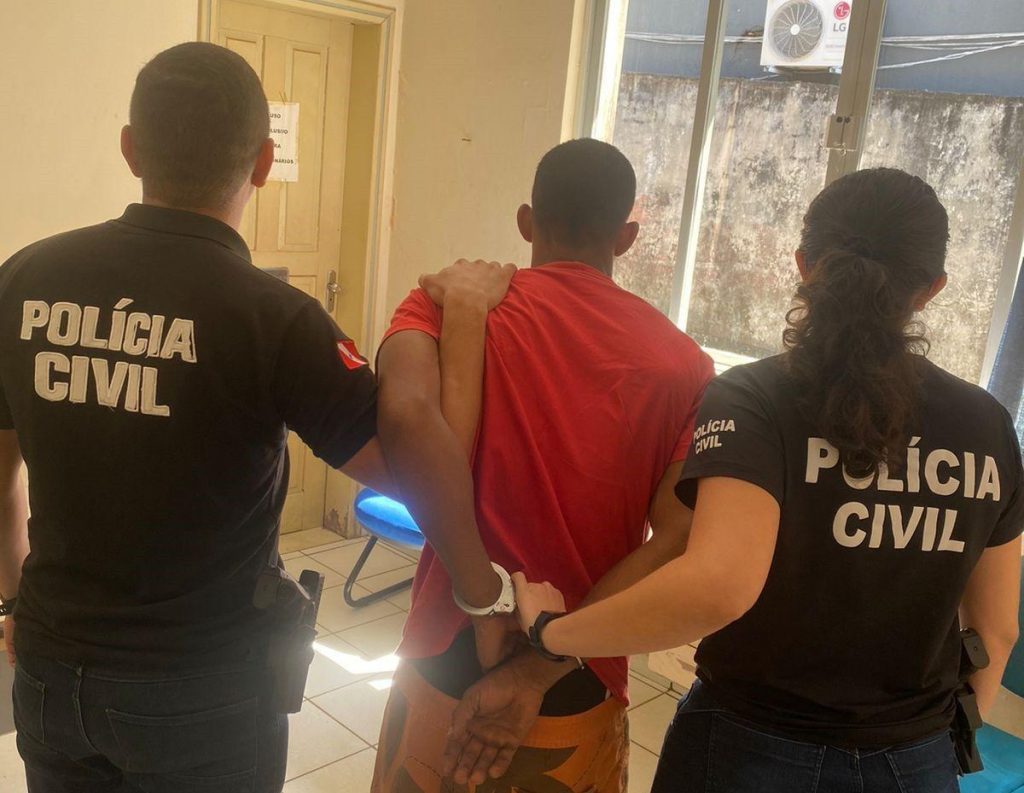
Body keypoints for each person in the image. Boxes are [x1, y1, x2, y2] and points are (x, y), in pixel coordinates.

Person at [0, 42, 511, 793]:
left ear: (130, 149)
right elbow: (420, 476)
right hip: (201, 690)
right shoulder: (276, 318)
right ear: (265, 163)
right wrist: (456, 321)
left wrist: (16, 601)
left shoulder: (22, 279)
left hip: (50, 672)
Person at [512, 168, 1024, 793]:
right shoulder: (987, 425)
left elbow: (717, 588)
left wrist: (552, 634)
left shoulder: (753, 400)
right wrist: (940, 745)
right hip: (914, 758)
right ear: (931, 290)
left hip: (752, 747)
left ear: (804, 265)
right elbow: (996, 630)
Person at [371, 138, 715, 793]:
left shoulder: (446, 303)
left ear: (527, 222)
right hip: (576, 663)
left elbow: (412, 438)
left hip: (448, 643)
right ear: (627, 237)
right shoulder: (686, 366)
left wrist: (481, 594)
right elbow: (677, 539)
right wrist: (540, 665)